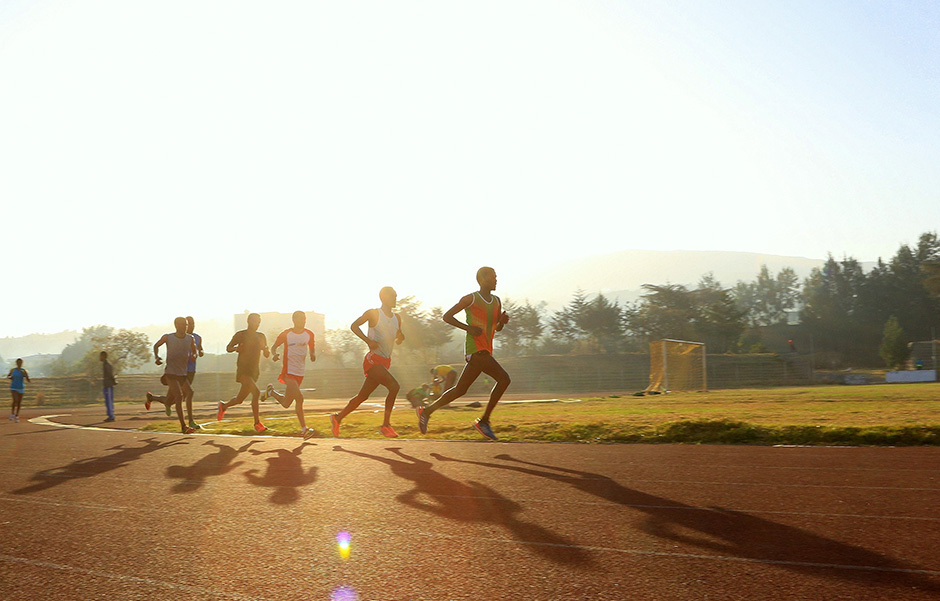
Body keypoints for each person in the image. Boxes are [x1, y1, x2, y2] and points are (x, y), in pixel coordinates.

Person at [417, 266, 510, 441]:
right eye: (493, 277)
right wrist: (468, 328)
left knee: (460, 390)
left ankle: (427, 411)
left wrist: (502, 322)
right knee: (504, 379)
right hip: (475, 350)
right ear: (482, 279)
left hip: (486, 350)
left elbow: (496, 328)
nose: (496, 280)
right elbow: (447, 316)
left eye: (496, 277)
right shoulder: (471, 299)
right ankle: (484, 421)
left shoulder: (497, 301)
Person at [330, 286, 405, 438]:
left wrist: (400, 337)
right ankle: (386, 425)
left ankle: (337, 418)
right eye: (394, 296)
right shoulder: (373, 313)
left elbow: (397, 332)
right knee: (394, 386)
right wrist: (368, 341)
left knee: (362, 396)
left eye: (396, 296)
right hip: (373, 360)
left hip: (385, 361)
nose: (396, 299)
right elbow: (354, 326)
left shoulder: (397, 318)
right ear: (384, 297)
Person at [264, 311, 316, 439]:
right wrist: (274, 354)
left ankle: (271, 392)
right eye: (301, 319)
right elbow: (273, 347)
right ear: (294, 320)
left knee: (286, 403)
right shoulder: (287, 334)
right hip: (289, 371)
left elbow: (312, 347)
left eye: (305, 318)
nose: (304, 321)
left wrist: (312, 354)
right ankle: (304, 430)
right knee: (300, 398)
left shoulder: (309, 334)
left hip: (300, 372)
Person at [217, 313, 270, 433]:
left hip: (254, 371)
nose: (257, 324)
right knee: (256, 393)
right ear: (249, 321)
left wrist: (267, 351)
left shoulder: (261, 336)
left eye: (259, 322)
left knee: (240, 399)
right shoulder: (240, 335)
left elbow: (266, 352)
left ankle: (223, 406)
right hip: (243, 370)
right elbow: (228, 348)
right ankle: (257, 423)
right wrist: (236, 349)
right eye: (255, 321)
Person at [146, 317, 197, 434]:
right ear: (176, 325)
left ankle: (153, 398)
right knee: (178, 396)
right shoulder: (168, 337)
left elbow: (194, 350)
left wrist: (194, 355)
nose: (185, 327)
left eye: (186, 324)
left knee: (190, 392)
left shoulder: (190, 338)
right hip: (171, 373)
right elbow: (156, 346)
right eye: (183, 324)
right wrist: (157, 357)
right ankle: (184, 426)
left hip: (182, 373)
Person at [184, 316, 204, 430]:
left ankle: (153, 398)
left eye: (193, 323)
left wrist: (200, 352)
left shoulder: (197, 337)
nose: (191, 326)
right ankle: (190, 421)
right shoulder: (181, 338)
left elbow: (200, 349)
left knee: (180, 396)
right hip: (180, 370)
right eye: (189, 324)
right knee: (188, 393)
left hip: (191, 369)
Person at [7, 358, 30, 423]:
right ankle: (12, 413)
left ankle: (17, 415)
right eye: (18, 363)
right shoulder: (13, 370)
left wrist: (25, 375)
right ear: (16, 363)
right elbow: (8, 376)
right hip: (14, 387)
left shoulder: (23, 370)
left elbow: (28, 379)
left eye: (20, 363)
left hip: (21, 387)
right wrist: (10, 377)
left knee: (19, 402)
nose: (19, 364)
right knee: (15, 400)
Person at [100, 351, 116, 422]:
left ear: (104, 356)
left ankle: (111, 416)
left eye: (101, 356)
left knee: (109, 401)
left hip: (108, 384)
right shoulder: (105, 364)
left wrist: (113, 381)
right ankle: (110, 415)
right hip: (107, 384)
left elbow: (110, 374)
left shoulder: (107, 365)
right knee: (108, 401)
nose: (100, 357)